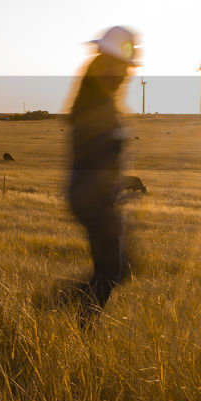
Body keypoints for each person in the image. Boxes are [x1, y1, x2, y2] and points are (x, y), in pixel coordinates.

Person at [67, 26, 139, 314]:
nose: (126, 76)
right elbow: (95, 152)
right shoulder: (95, 103)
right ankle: (70, 313)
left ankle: (70, 309)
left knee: (113, 269)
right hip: (92, 197)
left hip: (91, 196)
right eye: (123, 68)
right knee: (112, 271)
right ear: (108, 63)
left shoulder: (95, 98)